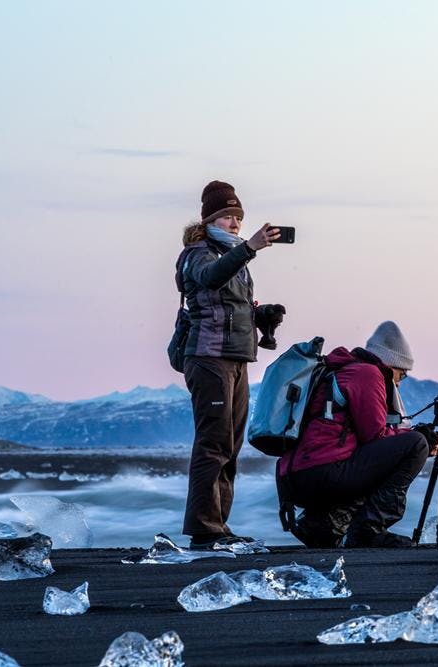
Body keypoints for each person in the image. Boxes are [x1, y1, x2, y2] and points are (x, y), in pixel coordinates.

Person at [177, 180, 284, 550]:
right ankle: (204, 529)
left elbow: (231, 305)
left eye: (238, 217)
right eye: (227, 217)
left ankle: (218, 525)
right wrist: (251, 248)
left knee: (231, 444)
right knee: (213, 443)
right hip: (209, 357)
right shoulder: (199, 254)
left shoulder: (233, 257)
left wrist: (261, 315)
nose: (235, 224)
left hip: (236, 358)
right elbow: (210, 279)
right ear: (209, 220)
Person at [275, 321, 438, 548]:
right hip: (321, 473)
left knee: (393, 452)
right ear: (391, 364)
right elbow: (375, 436)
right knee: (416, 445)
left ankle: (320, 525)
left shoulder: (343, 371)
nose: (400, 384)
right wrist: (417, 436)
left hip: (294, 478)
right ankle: (368, 531)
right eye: (402, 375)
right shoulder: (368, 373)